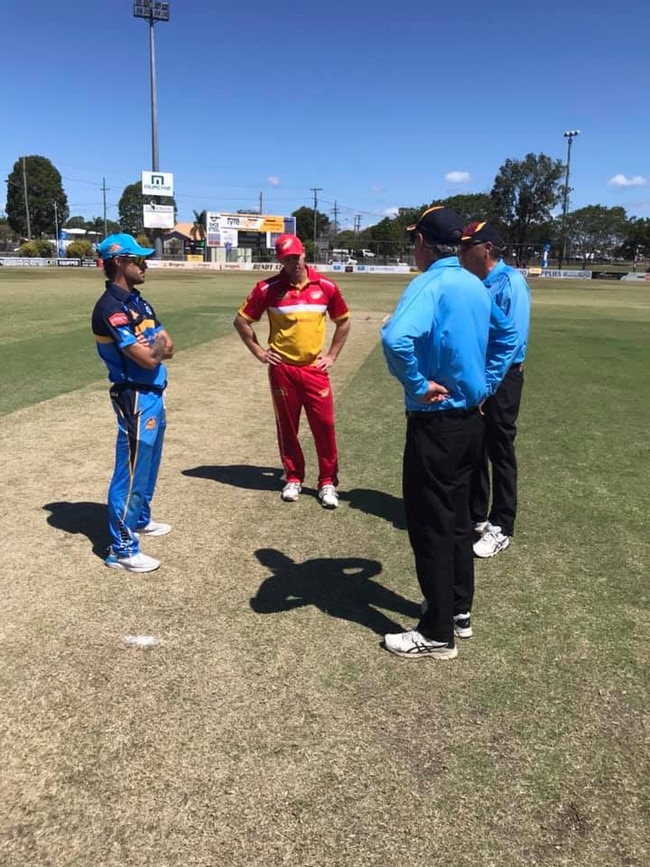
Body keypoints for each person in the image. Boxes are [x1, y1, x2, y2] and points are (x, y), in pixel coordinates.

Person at [380, 207, 517, 660]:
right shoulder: (474, 285)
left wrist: (418, 384)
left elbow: (395, 338)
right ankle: (457, 610)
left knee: (432, 526)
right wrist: (489, 381)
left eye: (413, 241)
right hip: (470, 422)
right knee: (458, 522)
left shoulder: (431, 283)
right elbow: (508, 336)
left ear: (422, 243)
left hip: (435, 421)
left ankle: (437, 633)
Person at [234, 234, 351, 508]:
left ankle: (327, 482)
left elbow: (343, 322)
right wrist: (260, 352)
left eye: (296, 257)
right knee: (287, 427)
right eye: (287, 259)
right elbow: (241, 322)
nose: (294, 263)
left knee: (325, 426)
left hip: (314, 370)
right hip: (282, 369)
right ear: (280, 260)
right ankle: (294, 477)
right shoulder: (267, 288)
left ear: (304, 254)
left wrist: (332, 355)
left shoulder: (325, 286)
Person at [91, 233, 174, 573]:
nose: (145, 264)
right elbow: (146, 358)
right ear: (120, 263)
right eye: (138, 259)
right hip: (134, 395)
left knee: (148, 465)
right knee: (130, 469)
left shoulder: (139, 302)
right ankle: (122, 549)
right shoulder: (109, 308)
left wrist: (152, 346)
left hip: (153, 391)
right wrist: (150, 348)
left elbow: (166, 346)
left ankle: (139, 519)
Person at [459, 221, 531, 558]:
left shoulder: (510, 282)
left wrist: (488, 386)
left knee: (500, 448)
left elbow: (511, 342)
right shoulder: (472, 282)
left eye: (466, 246)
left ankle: (502, 524)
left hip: (502, 378)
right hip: (477, 376)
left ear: (486, 248)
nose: (460, 251)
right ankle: (476, 515)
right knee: (474, 446)